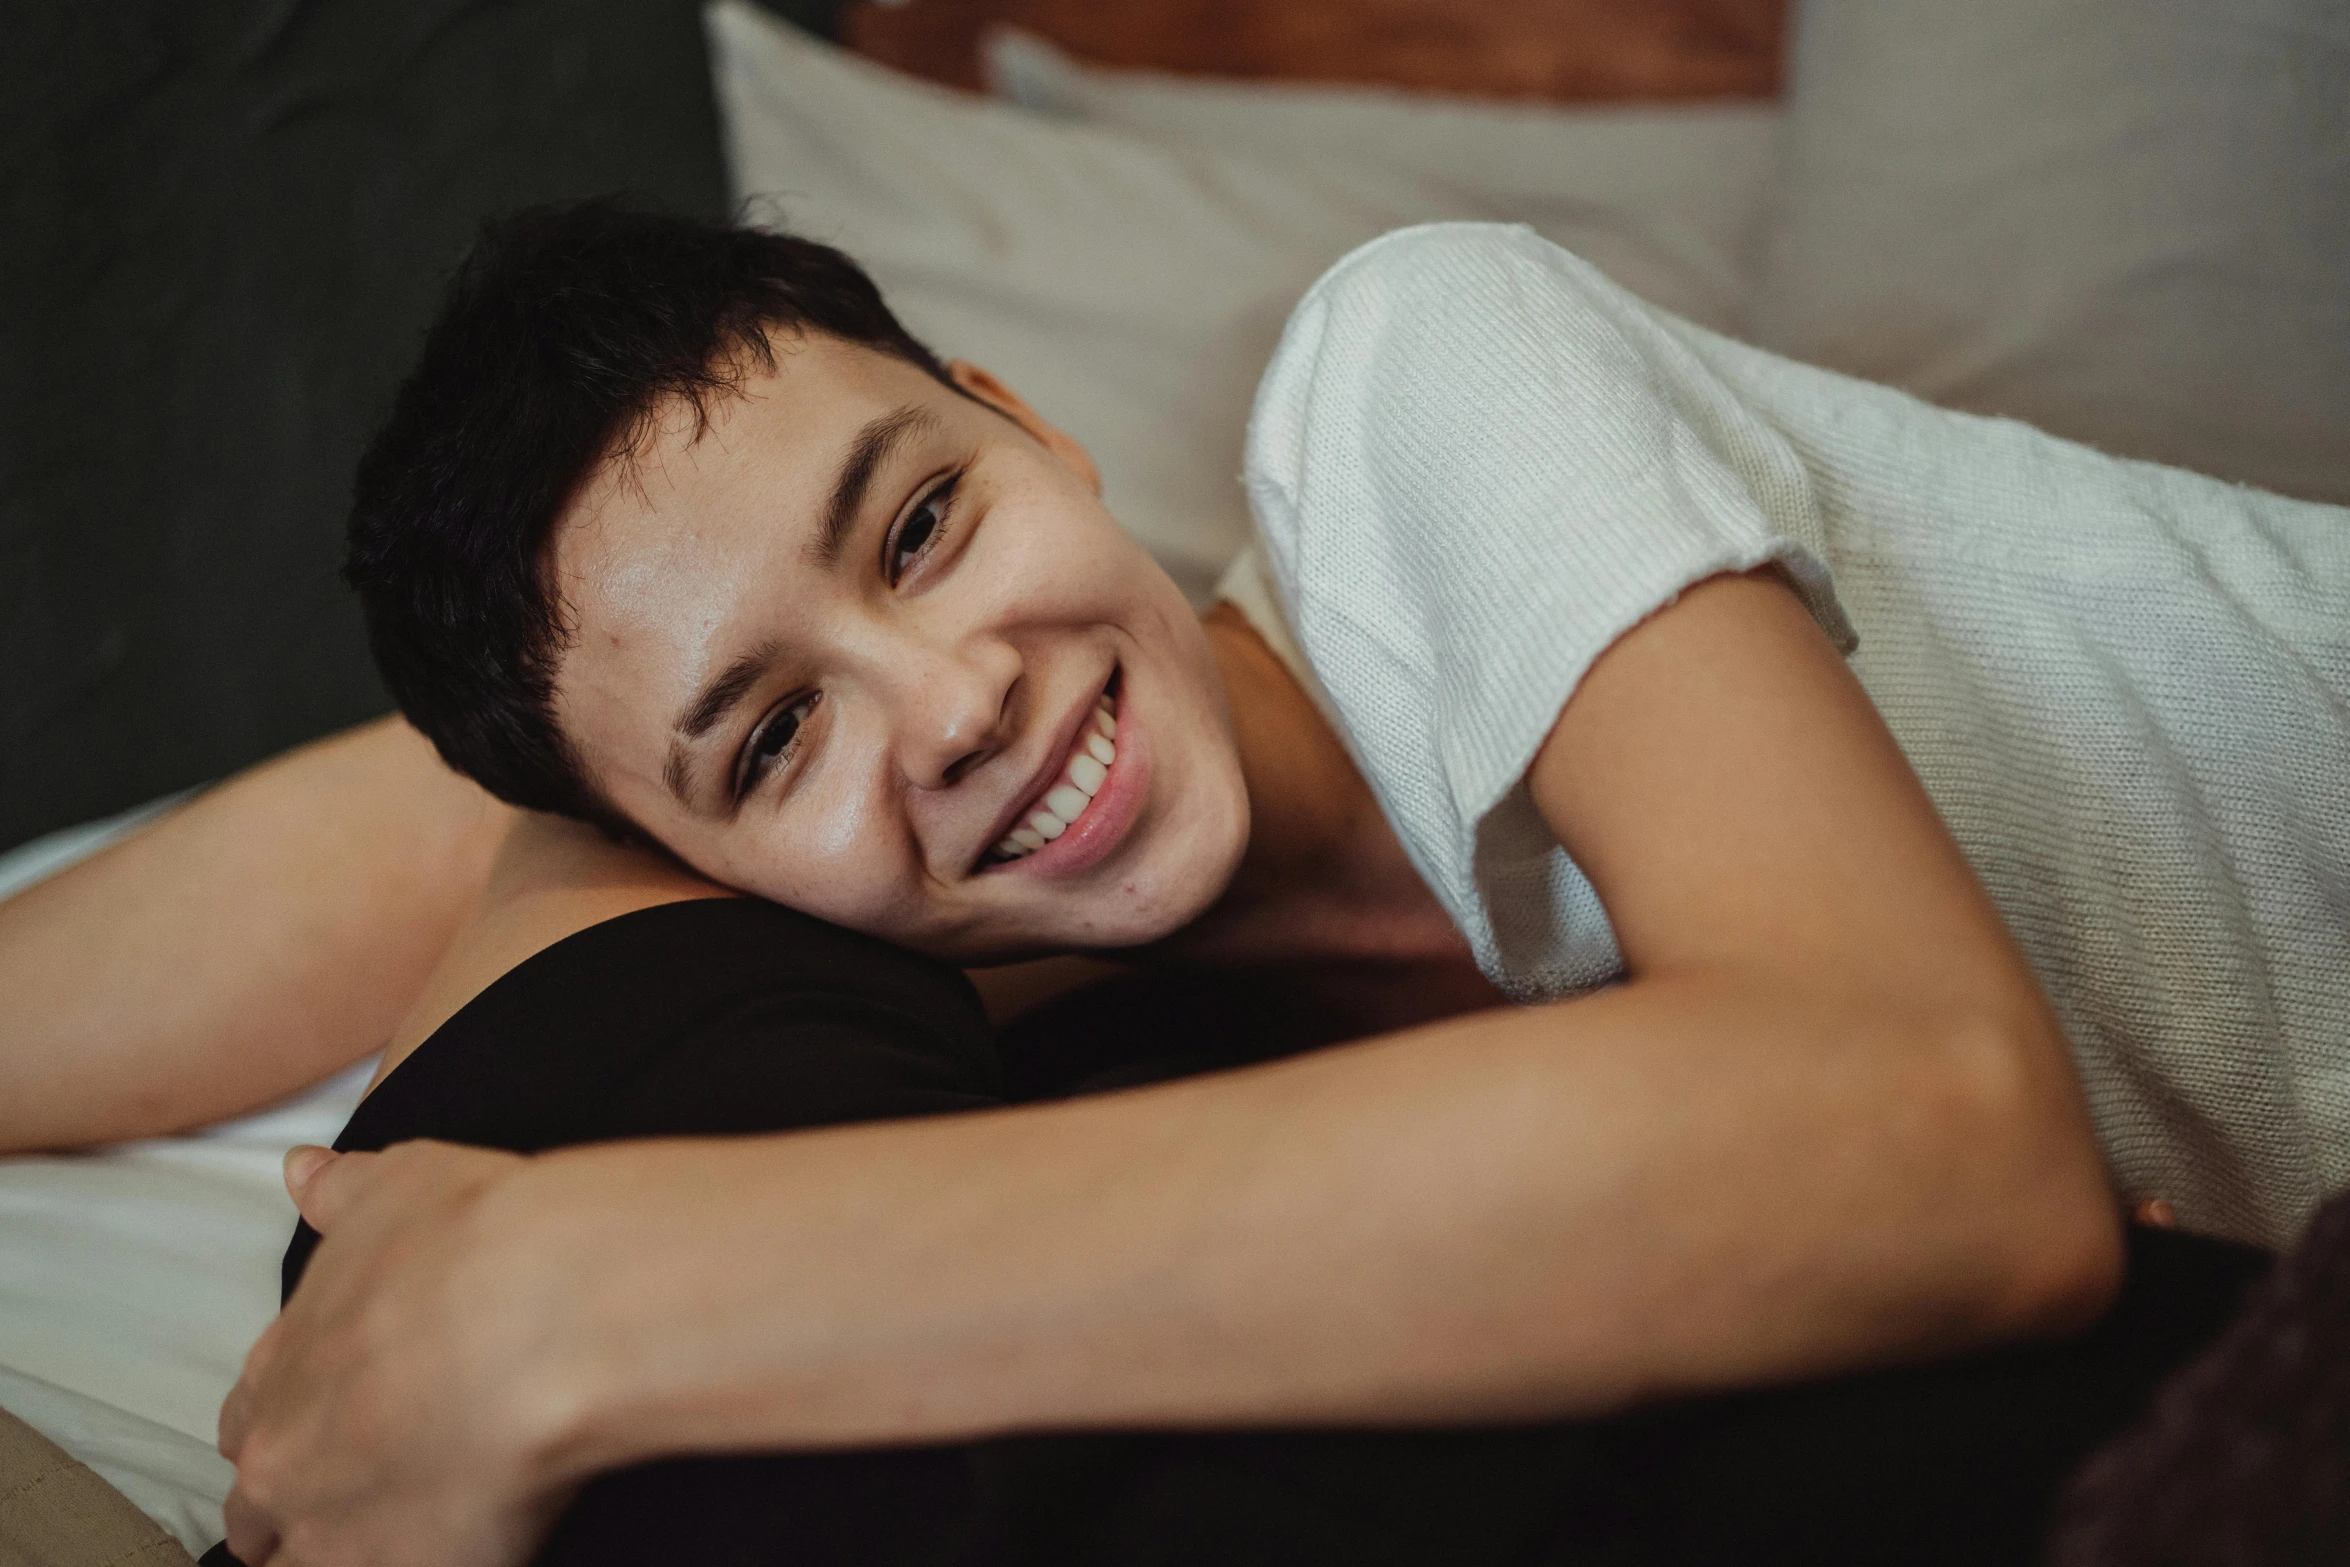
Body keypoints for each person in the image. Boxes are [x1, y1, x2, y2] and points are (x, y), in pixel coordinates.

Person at [3, 200, 2344, 1565]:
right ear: (682, 852)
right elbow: (431, 833)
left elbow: (1939, 1147)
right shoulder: (978, 990)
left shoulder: (1413, 372)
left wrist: (584, 1298)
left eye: (923, 521)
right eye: (775, 735)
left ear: (1029, 421)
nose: (956, 703)